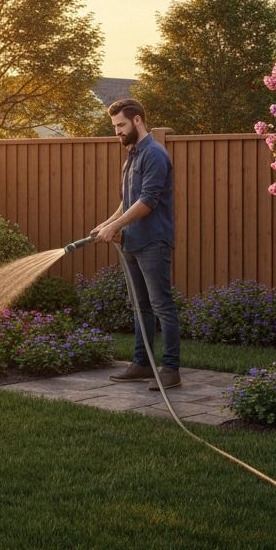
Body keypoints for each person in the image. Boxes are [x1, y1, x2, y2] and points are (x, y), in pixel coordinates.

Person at [91, 98, 180, 390]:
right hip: (132, 240)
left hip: (152, 241)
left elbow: (147, 202)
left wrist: (116, 226)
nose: (117, 131)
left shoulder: (154, 154)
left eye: (121, 125)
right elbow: (128, 201)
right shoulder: (133, 155)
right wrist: (108, 222)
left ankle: (170, 369)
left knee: (161, 306)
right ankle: (142, 363)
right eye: (115, 126)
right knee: (139, 307)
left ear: (138, 120)